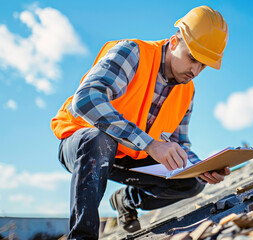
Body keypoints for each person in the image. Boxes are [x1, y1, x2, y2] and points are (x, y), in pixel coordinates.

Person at [51, 6, 229, 239]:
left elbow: (179, 143)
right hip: (83, 143)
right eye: (193, 58)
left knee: (191, 183)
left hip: (128, 154)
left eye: (203, 65)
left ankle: (125, 201)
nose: (195, 70)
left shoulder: (187, 91)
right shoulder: (132, 53)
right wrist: (149, 144)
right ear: (175, 42)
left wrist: (202, 168)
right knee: (99, 138)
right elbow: (85, 100)